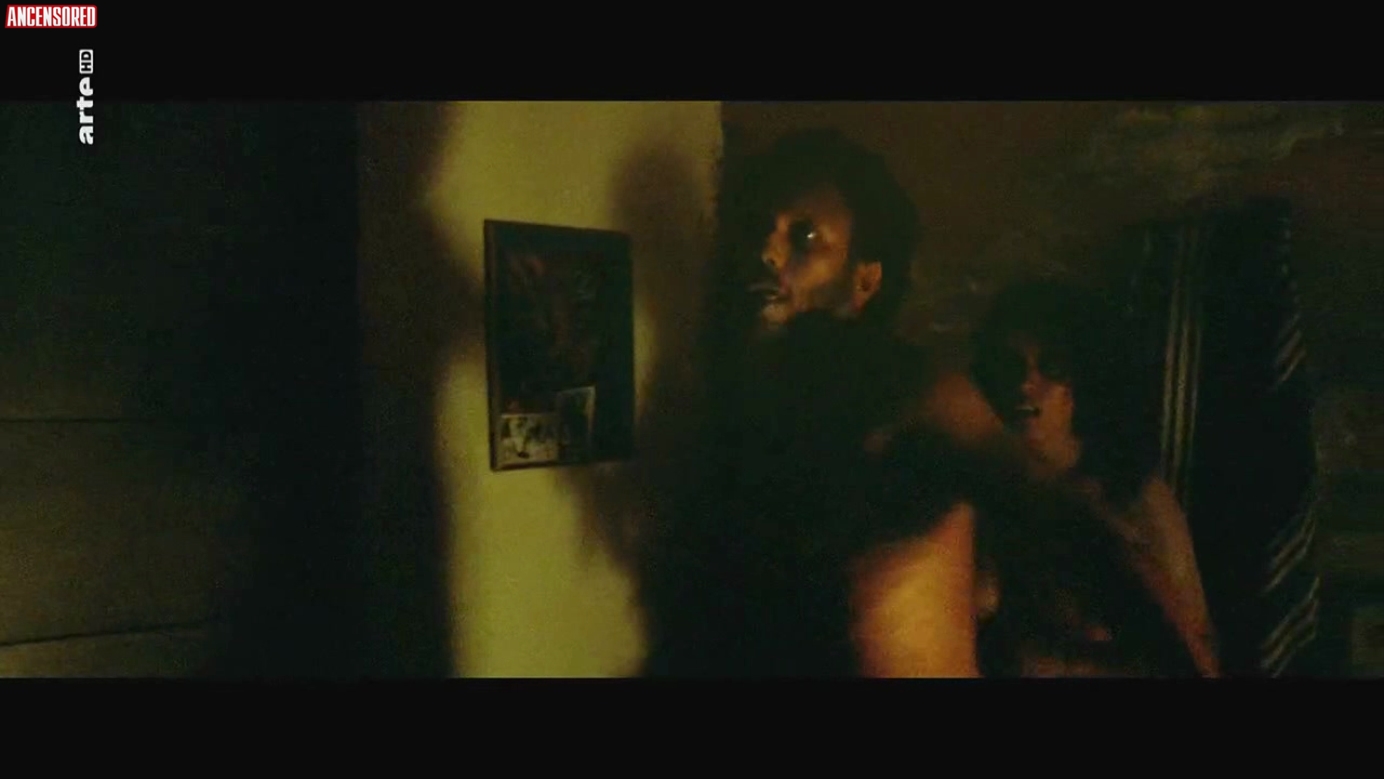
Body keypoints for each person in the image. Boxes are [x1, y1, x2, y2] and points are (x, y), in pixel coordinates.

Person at [968, 279, 1220, 676]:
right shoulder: (982, 488)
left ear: (1079, 381)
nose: (1026, 385)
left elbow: (1193, 642)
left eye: (1050, 367)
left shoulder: (1132, 496)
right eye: (1012, 366)